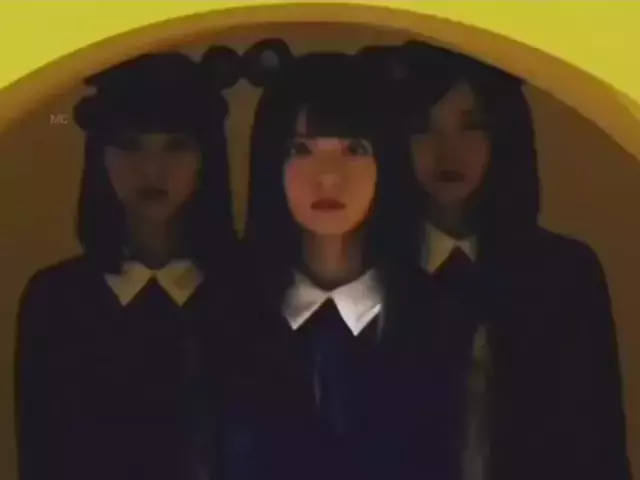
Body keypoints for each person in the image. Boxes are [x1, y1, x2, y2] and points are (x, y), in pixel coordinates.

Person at [234, 39, 474, 480]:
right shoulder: (226, 315)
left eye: (355, 149)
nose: (328, 177)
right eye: (301, 150)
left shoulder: (440, 317)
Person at [395, 41, 631, 480]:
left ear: (501, 134)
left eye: (471, 126)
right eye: (423, 128)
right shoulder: (373, 275)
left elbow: (599, 447)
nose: (448, 151)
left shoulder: (565, 276)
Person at [15, 49, 243, 480]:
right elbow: (41, 458)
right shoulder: (56, 301)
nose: (152, 168)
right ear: (99, 156)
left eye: (176, 146)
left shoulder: (250, 294)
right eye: (129, 146)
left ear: (206, 158)